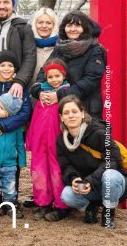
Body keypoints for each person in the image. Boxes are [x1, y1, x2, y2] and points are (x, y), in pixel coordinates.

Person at [52, 95, 127, 228]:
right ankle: (90, 207)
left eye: (74, 112)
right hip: (87, 186)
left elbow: (113, 161)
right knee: (67, 195)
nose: (71, 116)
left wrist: (91, 181)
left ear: (82, 113)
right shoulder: (61, 141)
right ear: (61, 118)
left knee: (110, 176)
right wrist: (74, 178)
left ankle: (108, 212)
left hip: (113, 184)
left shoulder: (99, 133)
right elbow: (66, 166)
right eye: (66, 113)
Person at [33, 11, 107, 121]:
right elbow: (44, 71)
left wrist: (59, 95)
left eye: (77, 25)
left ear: (85, 28)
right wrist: (39, 91)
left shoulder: (95, 49)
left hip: (85, 109)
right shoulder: (61, 48)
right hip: (63, 111)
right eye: (69, 25)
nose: (72, 29)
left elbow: (90, 81)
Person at [26, 59, 70, 219]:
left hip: (57, 142)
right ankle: (43, 203)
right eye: (50, 77)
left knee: (57, 172)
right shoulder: (41, 94)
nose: (54, 79)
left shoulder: (66, 94)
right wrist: (30, 139)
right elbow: (35, 119)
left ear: (63, 75)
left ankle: (61, 205)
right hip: (40, 142)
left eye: (57, 76)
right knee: (39, 171)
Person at [31, 7, 59, 83]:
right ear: (35, 24)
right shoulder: (28, 45)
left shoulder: (61, 46)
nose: (44, 26)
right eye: (40, 22)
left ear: (54, 25)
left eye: (48, 23)